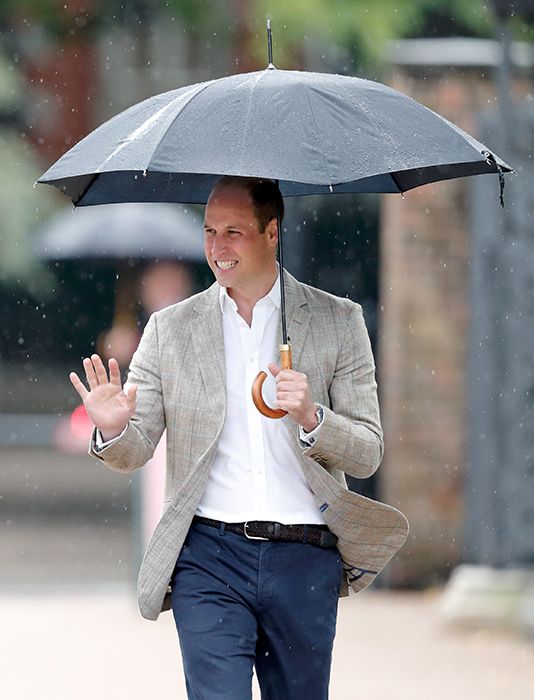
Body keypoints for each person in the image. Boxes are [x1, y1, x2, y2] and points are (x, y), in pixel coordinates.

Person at [70, 176, 408, 700]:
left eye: (234, 231)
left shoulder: (339, 321)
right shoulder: (170, 329)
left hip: (305, 556)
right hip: (209, 557)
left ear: (273, 232)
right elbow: (135, 448)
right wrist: (112, 427)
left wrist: (312, 416)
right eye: (209, 231)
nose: (217, 247)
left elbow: (367, 452)